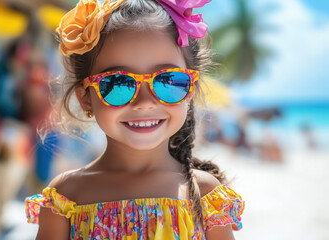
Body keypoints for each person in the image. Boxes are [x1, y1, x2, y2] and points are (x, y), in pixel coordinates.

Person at [25, 0, 245, 239]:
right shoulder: (65, 197)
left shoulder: (206, 196)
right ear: (86, 98)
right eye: (117, 83)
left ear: (190, 89)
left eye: (168, 81)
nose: (144, 102)